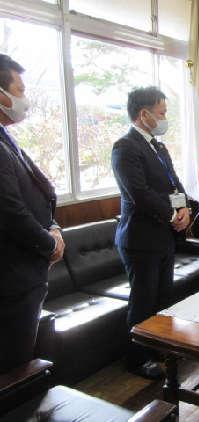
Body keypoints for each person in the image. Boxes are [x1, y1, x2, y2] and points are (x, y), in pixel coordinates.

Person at [112, 86, 190, 379]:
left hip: (164, 235)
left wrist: (184, 208)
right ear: (144, 115)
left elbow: (174, 183)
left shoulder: (158, 146)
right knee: (143, 301)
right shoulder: (125, 147)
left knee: (163, 296)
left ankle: (159, 347)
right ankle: (137, 358)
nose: (165, 118)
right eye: (162, 113)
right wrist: (172, 215)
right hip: (140, 238)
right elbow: (139, 193)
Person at [0, 54, 65, 373]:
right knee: (13, 367)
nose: (24, 98)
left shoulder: (7, 138)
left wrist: (53, 226)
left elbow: (38, 195)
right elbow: (10, 210)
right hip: (12, 278)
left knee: (22, 361)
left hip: (26, 273)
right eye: (20, 90)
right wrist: (49, 243)